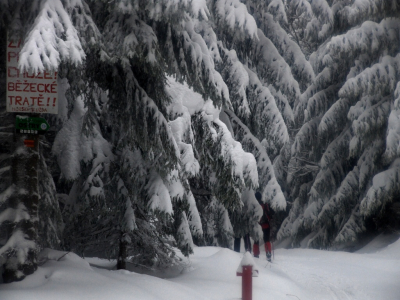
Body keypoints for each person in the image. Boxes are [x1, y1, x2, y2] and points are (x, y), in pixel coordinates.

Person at [253, 191, 273, 262]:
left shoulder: (254, 205)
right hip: (266, 225)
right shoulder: (264, 204)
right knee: (266, 240)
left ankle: (256, 255)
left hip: (257, 226)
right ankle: (268, 254)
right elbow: (269, 215)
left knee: (256, 241)